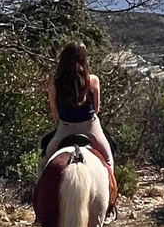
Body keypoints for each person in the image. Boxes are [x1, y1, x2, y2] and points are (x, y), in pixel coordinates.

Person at [43, 40, 117, 211]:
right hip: (91, 128)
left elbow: (56, 115)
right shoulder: (93, 81)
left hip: (65, 128)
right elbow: (96, 109)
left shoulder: (54, 86)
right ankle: (111, 201)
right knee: (107, 159)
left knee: (46, 161)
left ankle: (41, 208)